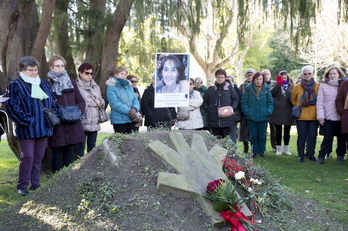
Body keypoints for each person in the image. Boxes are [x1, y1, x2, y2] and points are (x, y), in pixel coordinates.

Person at [6, 56, 56, 195]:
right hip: (26, 129)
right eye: (30, 70)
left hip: (44, 127)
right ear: (22, 70)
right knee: (27, 157)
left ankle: (35, 183)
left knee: (39, 157)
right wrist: (27, 121)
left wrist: (52, 117)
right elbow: (12, 108)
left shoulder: (44, 84)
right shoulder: (15, 85)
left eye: (36, 70)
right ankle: (22, 186)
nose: (34, 72)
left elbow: (52, 103)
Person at [47, 55, 86, 173]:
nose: (60, 68)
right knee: (56, 153)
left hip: (72, 122)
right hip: (57, 123)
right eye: (57, 66)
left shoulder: (71, 82)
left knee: (70, 152)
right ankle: (56, 181)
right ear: (51, 67)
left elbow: (81, 100)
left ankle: (68, 181)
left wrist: (79, 113)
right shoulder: (46, 83)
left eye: (62, 66)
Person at [315, 65, 346, 164]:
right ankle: (321, 157)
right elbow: (320, 102)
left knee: (341, 139)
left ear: (339, 74)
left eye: (334, 73)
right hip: (329, 117)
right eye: (330, 74)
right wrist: (320, 116)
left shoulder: (344, 84)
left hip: (342, 117)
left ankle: (340, 156)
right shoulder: (324, 85)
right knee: (327, 139)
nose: (332, 75)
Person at [291, 65, 320, 162]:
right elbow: (293, 99)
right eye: (305, 74)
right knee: (301, 136)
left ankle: (311, 154)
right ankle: (300, 155)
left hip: (314, 116)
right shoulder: (297, 87)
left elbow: (320, 100)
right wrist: (299, 106)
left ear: (312, 74)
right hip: (301, 116)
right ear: (302, 74)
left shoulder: (318, 86)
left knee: (312, 136)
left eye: (309, 73)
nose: (307, 75)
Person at [241, 72, 274, 158]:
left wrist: (268, 111)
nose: (259, 81)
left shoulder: (266, 89)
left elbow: (270, 102)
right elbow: (244, 102)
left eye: (260, 79)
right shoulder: (248, 89)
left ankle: (261, 151)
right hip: (251, 116)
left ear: (263, 80)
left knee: (262, 135)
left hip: (263, 116)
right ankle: (254, 151)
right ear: (253, 80)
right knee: (253, 135)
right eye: (257, 79)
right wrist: (247, 112)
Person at [75, 63, 105, 157]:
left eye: (91, 73)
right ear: (80, 72)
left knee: (92, 147)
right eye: (86, 73)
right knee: (80, 147)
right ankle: (78, 167)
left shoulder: (96, 87)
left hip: (94, 120)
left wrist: (100, 102)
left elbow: (102, 100)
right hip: (82, 120)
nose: (89, 75)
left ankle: (91, 169)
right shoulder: (75, 86)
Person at [203, 68, 239, 139]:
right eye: (218, 77)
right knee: (216, 141)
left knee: (227, 141)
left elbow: (236, 99)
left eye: (222, 77)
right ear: (216, 78)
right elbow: (204, 101)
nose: (220, 79)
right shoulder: (210, 89)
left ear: (225, 78)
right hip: (214, 120)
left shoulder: (230, 89)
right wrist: (209, 110)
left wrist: (232, 108)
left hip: (227, 119)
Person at [106, 66, 140, 134]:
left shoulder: (129, 87)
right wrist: (129, 111)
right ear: (116, 75)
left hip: (131, 119)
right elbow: (114, 103)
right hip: (119, 120)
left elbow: (135, 100)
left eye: (125, 74)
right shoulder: (111, 88)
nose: (124, 76)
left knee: (132, 142)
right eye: (122, 74)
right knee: (121, 142)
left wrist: (134, 108)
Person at [270, 71, 294, 155]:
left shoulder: (291, 86)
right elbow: (272, 93)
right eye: (282, 78)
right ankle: (278, 149)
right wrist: (278, 84)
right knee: (278, 131)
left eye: (285, 78)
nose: (283, 80)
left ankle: (286, 148)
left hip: (288, 111)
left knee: (287, 131)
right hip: (278, 112)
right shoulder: (276, 86)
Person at [239, 68, 256, 153]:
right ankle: (245, 147)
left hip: (254, 111)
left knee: (253, 130)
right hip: (244, 112)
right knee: (244, 130)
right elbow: (239, 98)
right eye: (248, 75)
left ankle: (254, 147)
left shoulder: (257, 85)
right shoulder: (242, 86)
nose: (249, 77)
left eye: (251, 75)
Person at [262, 69, 277, 152]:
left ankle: (274, 146)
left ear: (270, 75)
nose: (266, 76)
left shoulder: (275, 84)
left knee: (273, 129)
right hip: (262, 109)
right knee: (262, 129)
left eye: (267, 74)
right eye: (264, 74)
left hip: (272, 108)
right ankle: (261, 147)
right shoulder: (259, 84)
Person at [226, 75, 242, 144]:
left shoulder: (237, 91)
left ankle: (232, 150)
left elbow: (239, 101)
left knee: (232, 132)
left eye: (229, 81)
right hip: (224, 115)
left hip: (234, 114)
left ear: (233, 82)